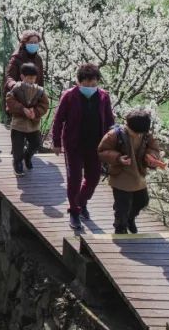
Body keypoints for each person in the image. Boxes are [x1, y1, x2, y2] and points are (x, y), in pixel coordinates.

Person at [52, 63, 114, 231]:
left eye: (94, 84)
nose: (91, 87)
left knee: (93, 178)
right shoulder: (69, 96)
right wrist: (56, 142)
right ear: (79, 82)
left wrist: (112, 142)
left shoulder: (103, 97)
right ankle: (74, 211)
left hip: (96, 145)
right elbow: (58, 120)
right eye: (87, 84)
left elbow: (109, 121)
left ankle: (81, 201)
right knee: (74, 179)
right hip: (74, 144)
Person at [98, 108, 164, 234]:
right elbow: (102, 151)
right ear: (127, 125)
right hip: (121, 175)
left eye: (140, 133)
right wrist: (118, 158)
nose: (137, 135)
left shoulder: (145, 135)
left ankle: (130, 218)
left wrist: (151, 156)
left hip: (138, 174)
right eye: (135, 132)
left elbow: (154, 148)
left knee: (142, 201)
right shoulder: (114, 135)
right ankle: (120, 228)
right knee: (122, 207)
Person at [4, 62, 49, 175]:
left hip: (33, 125)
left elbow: (44, 105)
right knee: (17, 146)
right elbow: (10, 100)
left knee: (36, 143)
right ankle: (17, 163)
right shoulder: (17, 88)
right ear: (22, 76)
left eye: (33, 78)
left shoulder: (39, 91)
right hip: (18, 124)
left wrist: (36, 112)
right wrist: (22, 109)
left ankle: (27, 156)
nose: (31, 80)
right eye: (29, 78)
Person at [3, 29, 44, 121]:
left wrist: (41, 94)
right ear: (24, 43)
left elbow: (40, 79)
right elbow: (9, 77)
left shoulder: (38, 59)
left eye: (35, 42)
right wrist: (16, 86)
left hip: (33, 98)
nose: (33, 44)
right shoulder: (16, 58)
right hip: (19, 97)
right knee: (19, 129)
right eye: (31, 42)